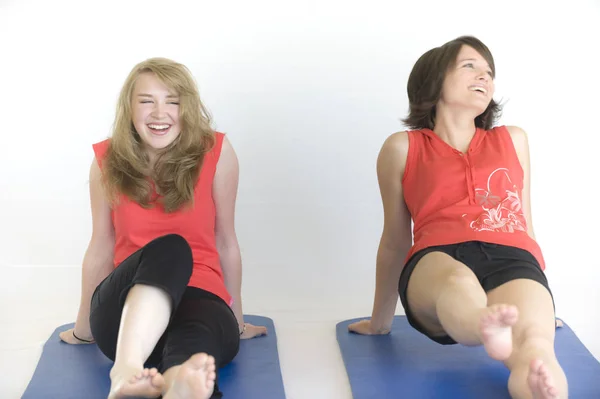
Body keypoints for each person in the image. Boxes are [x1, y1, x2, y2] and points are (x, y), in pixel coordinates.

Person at [348, 36, 568, 399]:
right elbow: (395, 240)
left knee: (536, 343)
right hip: (437, 260)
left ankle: (543, 388)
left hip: (511, 257)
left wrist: (541, 296)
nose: (484, 76)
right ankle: (484, 325)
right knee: (458, 283)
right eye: (470, 66)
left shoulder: (513, 139)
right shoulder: (402, 147)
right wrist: (380, 322)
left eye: (489, 72)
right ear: (434, 80)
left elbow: (524, 225)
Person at [58, 57, 267, 399]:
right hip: (124, 319)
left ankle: (179, 384)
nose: (160, 113)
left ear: (187, 108)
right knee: (172, 247)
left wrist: (238, 321)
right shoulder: (107, 161)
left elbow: (226, 241)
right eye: (147, 101)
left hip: (202, 298)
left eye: (172, 101)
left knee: (195, 341)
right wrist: (84, 330)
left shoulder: (216, 151)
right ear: (129, 107)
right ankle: (125, 370)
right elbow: (101, 246)